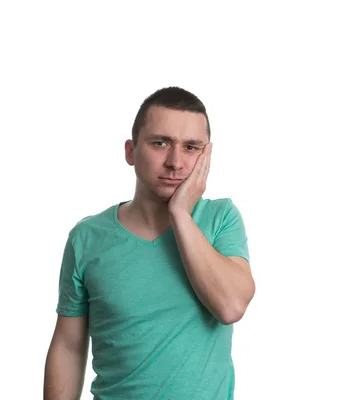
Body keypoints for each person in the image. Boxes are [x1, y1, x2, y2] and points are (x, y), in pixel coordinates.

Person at [43, 86, 256, 400]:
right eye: (160, 143)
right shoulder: (87, 237)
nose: (175, 162)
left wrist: (180, 213)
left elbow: (230, 306)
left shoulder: (221, 218)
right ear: (131, 151)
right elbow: (68, 347)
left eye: (191, 147)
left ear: (206, 155)